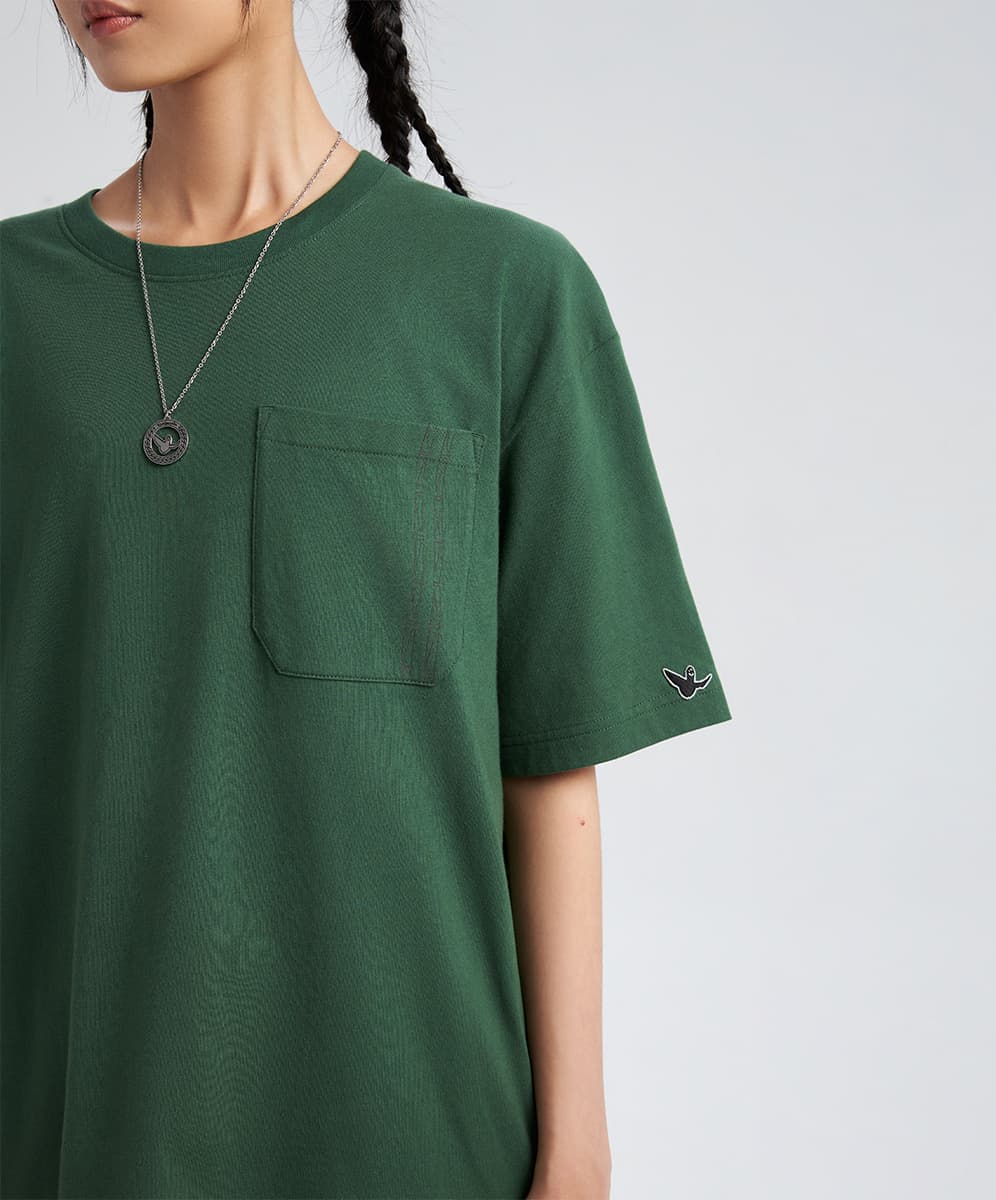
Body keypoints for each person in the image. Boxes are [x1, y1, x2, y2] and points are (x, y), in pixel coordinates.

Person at [0, 2, 733, 1197]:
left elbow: (549, 765)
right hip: (73, 1129)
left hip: (419, 1135)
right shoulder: (12, 306)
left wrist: (578, 1152)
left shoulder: (502, 292)